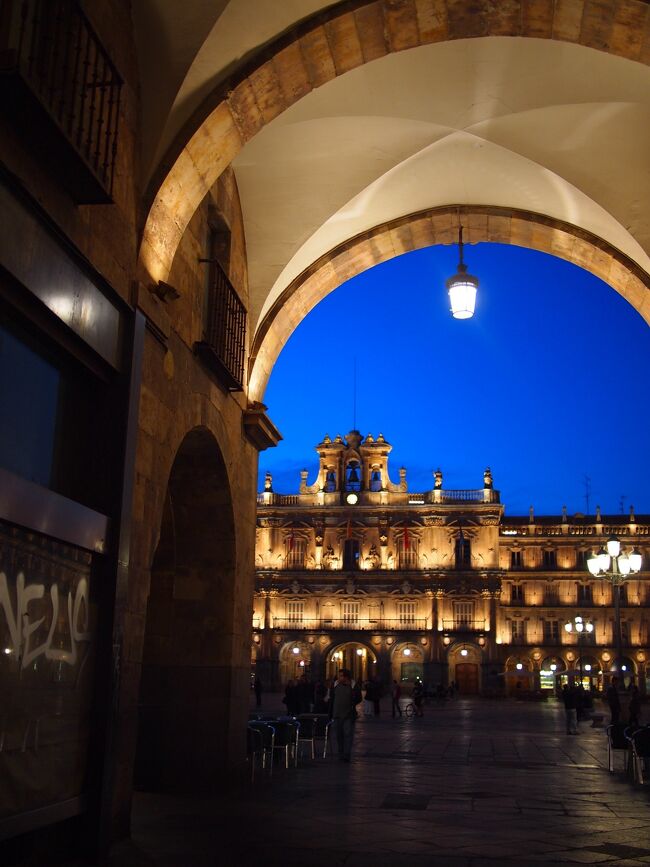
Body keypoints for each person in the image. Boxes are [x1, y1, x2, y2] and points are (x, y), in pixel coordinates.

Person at [328, 669, 362, 762]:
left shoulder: (353, 685)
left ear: (346, 677)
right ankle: (340, 753)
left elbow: (359, 698)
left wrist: (351, 703)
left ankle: (346, 755)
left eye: (341, 676)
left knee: (348, 735)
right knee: (339, 736)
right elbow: (331, 698)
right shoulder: (335, 684)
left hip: (348, 715)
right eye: (339, 676)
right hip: (336, 715)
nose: (339, 677)